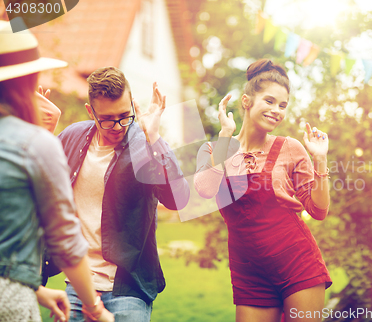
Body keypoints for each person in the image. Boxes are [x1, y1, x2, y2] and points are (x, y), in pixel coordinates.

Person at [42, 66, 190, 322]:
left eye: (125, 115)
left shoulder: (145, 142)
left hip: (128, 288)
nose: (118, 126)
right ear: (91, 111)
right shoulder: (72, 137)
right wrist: (36, 128)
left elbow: (178, 199)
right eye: (107, 119)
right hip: (78, 285)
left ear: (132, 105)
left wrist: (154, 136)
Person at [194, 59, 332, 322]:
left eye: (282, 105)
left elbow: (319, 210)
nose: (276, 111)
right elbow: (206, 190)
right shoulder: (213, 150)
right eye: (269, 101)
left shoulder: (290, 148)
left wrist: (320, 160)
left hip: (298, 264)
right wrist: (225, 135)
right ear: (246, 102)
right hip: (249, 273)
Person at [0, 19, 113, 322]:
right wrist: (95, 307)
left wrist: (38, 290)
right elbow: (65, 241)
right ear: (26, 81)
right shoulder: (34, 143)